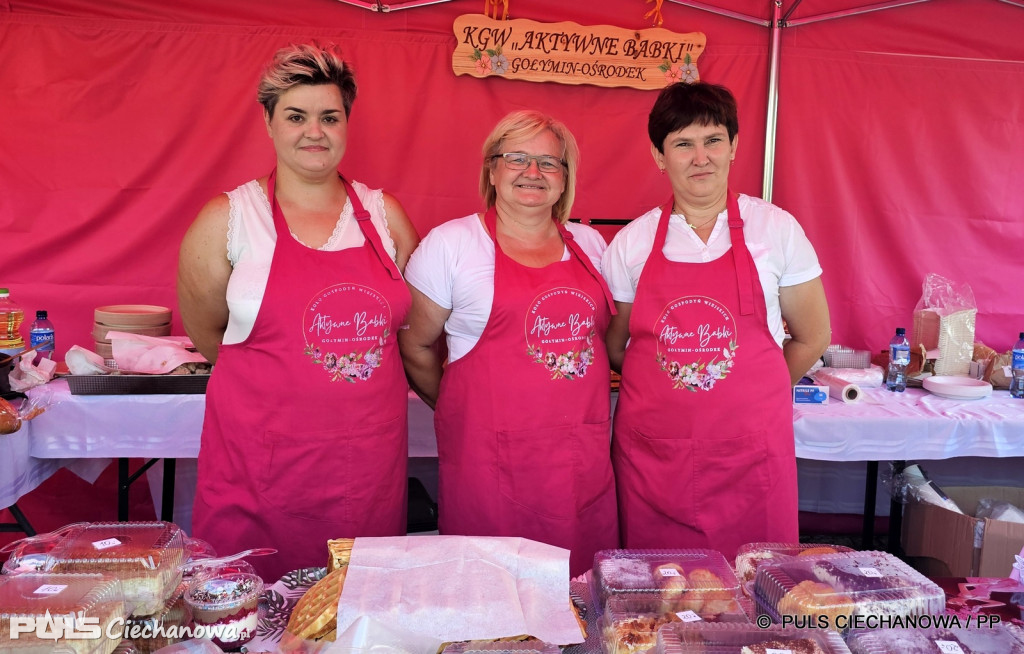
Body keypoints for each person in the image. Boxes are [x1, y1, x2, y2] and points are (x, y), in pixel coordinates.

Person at [177, 42, 419, 581]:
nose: (315, 131)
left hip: (366, 470)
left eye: (329, 117)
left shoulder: (386, 216)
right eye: (296, 116)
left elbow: (413, 329)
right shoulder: (230, 218)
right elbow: (209, 331)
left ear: (346, 125)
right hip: (258, 470)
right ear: (268, 123)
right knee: (248, 610)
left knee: (353, 610)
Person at [603, 82, 831, 557]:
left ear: (734, 147)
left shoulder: (777, 229)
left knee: (757, 588)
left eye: (712, 140)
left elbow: (813, 336)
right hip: (655, 458)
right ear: (659, 155)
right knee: (658, 594)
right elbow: (617, 345)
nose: (700, 157)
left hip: (752, 457)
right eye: (683, 143)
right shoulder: (632, 242)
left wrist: (751, 392)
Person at [399, 111, 618, 576]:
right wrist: (464, 410)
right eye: (516, 158)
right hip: (488, 469)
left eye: (548, 163)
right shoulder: (452, 245)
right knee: (492, 602)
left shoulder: (593, 245)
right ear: (492, 171)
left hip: (580, 463)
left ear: (564, 181)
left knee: (578, 601)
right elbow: (415, 347)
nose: (532, 172)